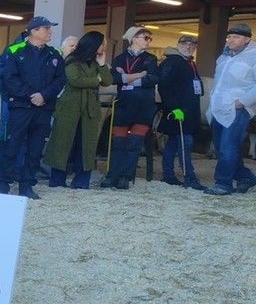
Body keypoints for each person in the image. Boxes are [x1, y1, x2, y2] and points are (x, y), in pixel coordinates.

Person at [0, 16, 66, 199]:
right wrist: (30, 95)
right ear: (34, 31)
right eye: (46, 28)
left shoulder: (55, 54)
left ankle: (26, 184)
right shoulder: (15, 50)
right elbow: (9, 78)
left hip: (44, 108)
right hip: (20, 107)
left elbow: (60, 79)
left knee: (35, 148)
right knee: (12, 145)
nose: (50, 32)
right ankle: (2, 183)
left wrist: (44, 95)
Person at [44, 31, 112, 189]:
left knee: (86, 145)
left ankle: (81, 181)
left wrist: (102, 65)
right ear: (93, 44)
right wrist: (96, 80)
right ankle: (57, 180)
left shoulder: (96, 62)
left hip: (89, 109)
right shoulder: (71, 59)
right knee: (63, 143)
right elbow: (75, 80)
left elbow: (107, 81)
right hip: (69, 107)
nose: (104, 47)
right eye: (102, 43)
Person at [100, 26, 159, 190]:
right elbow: (113, 78)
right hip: (123, 105)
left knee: (134, 143)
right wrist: (139, 75)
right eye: (145, 37)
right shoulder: (120, 58)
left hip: (143, 107)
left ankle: (126, 177)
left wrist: (126, 78)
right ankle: (112, 175)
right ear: (133, 39)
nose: (148, 41)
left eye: (149, 38)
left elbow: (153, 78)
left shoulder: (151, 59)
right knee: (118, 143)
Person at [204, 23, 256, 195]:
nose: (231, 40)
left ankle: (223, 184)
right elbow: (218, 83)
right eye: (230, 37)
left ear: (247, 39)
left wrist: (242, 102)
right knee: (222, 148)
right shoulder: (223, 57)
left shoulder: (253, 56)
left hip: (237, 109)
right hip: (218, 108)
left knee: (228, 147)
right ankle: (246, 177)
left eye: (236, 37)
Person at [157, 34, 205, 190]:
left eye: (192, 44)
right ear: (178, 45)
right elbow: (164, 87)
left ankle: (168, 176)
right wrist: (174, 108)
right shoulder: (172, 62)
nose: (189, 46)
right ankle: (189, 178)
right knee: (186, 143)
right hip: (178, 111)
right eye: (185, 43)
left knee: (172, 143)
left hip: (189, 111)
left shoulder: (188, 62)